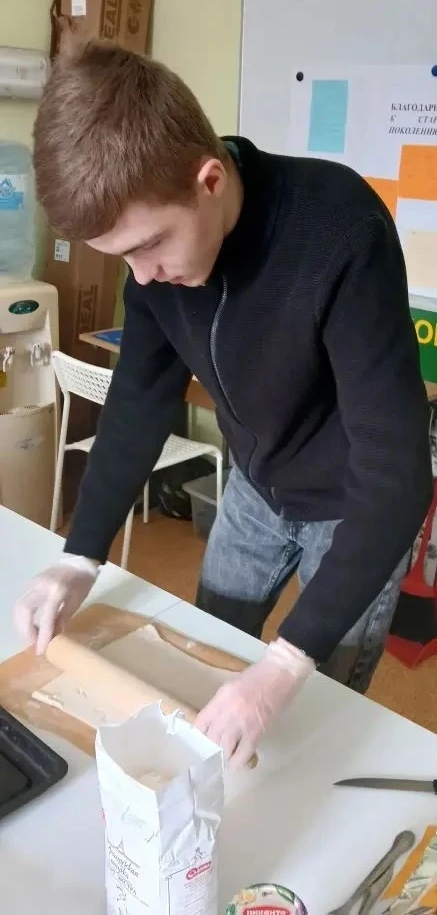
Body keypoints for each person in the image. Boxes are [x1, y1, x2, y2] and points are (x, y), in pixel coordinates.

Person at [16, 40, 432, 769]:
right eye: (125, 258)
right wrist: (79, 555)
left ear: (208, 180)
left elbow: (397, 476)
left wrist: (286, 664)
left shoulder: (338, 231)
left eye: (151, 245)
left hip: (354, 506)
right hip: (255, 487)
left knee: (312, 706)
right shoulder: (154, 268)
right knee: (204, 659)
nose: (144, 276)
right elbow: (138, 402)